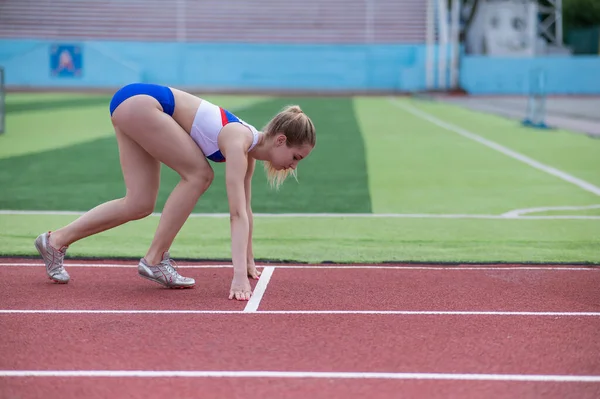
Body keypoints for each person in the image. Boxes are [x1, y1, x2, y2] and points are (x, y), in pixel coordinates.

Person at [34, 83, 316, 301]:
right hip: (144, 103)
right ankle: (154, 260)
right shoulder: (239, 140)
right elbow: (235, 214)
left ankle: (55, 241)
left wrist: (249, 261)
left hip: (133, 103)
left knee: (139, 203)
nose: (293, 167)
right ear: (280, 140)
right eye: (296, 158)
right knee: (199, 174)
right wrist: (238, 277)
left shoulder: (249, 150)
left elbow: (246, 210)